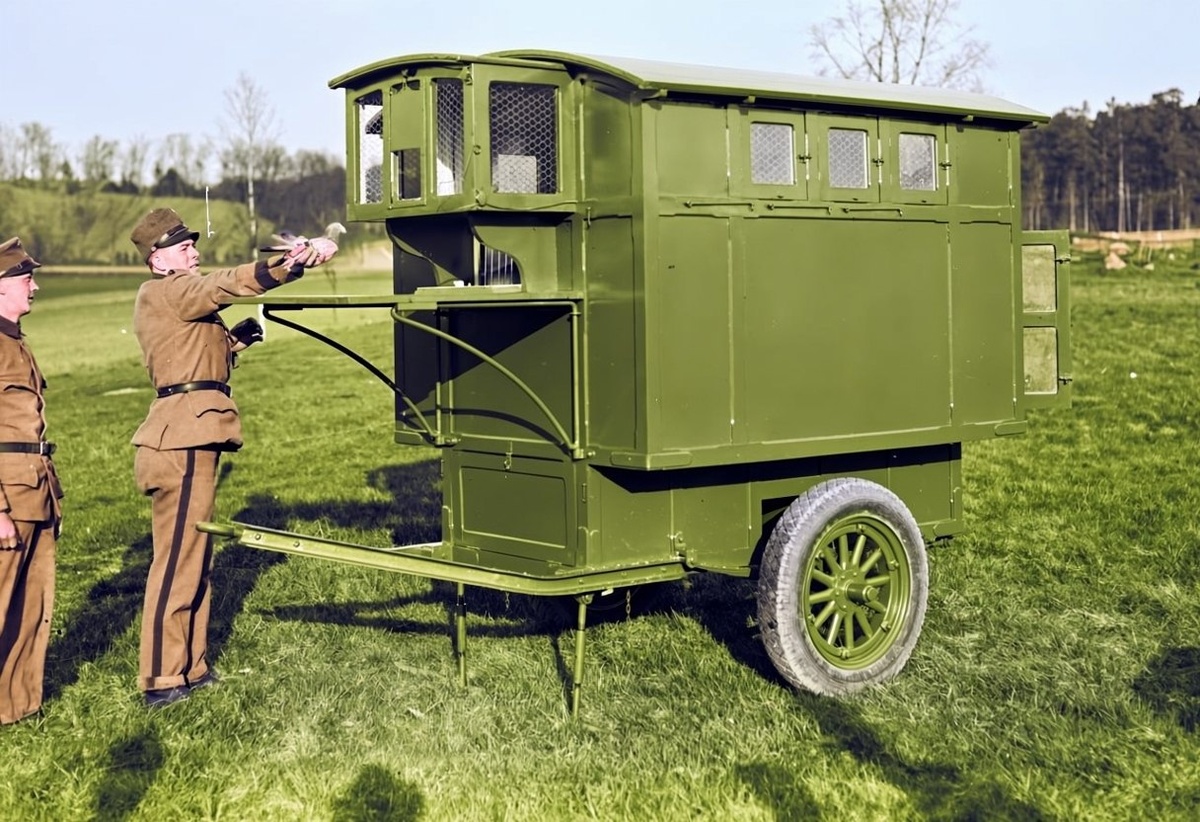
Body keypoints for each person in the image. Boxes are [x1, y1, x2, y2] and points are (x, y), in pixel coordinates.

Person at [128, 207, 336, 708]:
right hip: (180, 440)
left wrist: (235, 340)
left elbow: (195, 357)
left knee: (194, 559)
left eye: (192, 245)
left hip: (190, 434)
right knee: (178, 561)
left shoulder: (173, 296)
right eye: (182, 247)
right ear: (158, 259)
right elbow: (227, 283)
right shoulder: (171, 289)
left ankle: (190, 668)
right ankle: (161, 679)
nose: (193, 252)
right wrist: (292, 263)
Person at [0, 236, 63, 725]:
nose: (35, 286)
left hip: (34, 485)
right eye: (26, 280)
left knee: (32, 604)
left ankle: (18, 708)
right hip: (8, 494)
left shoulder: (15, 341)